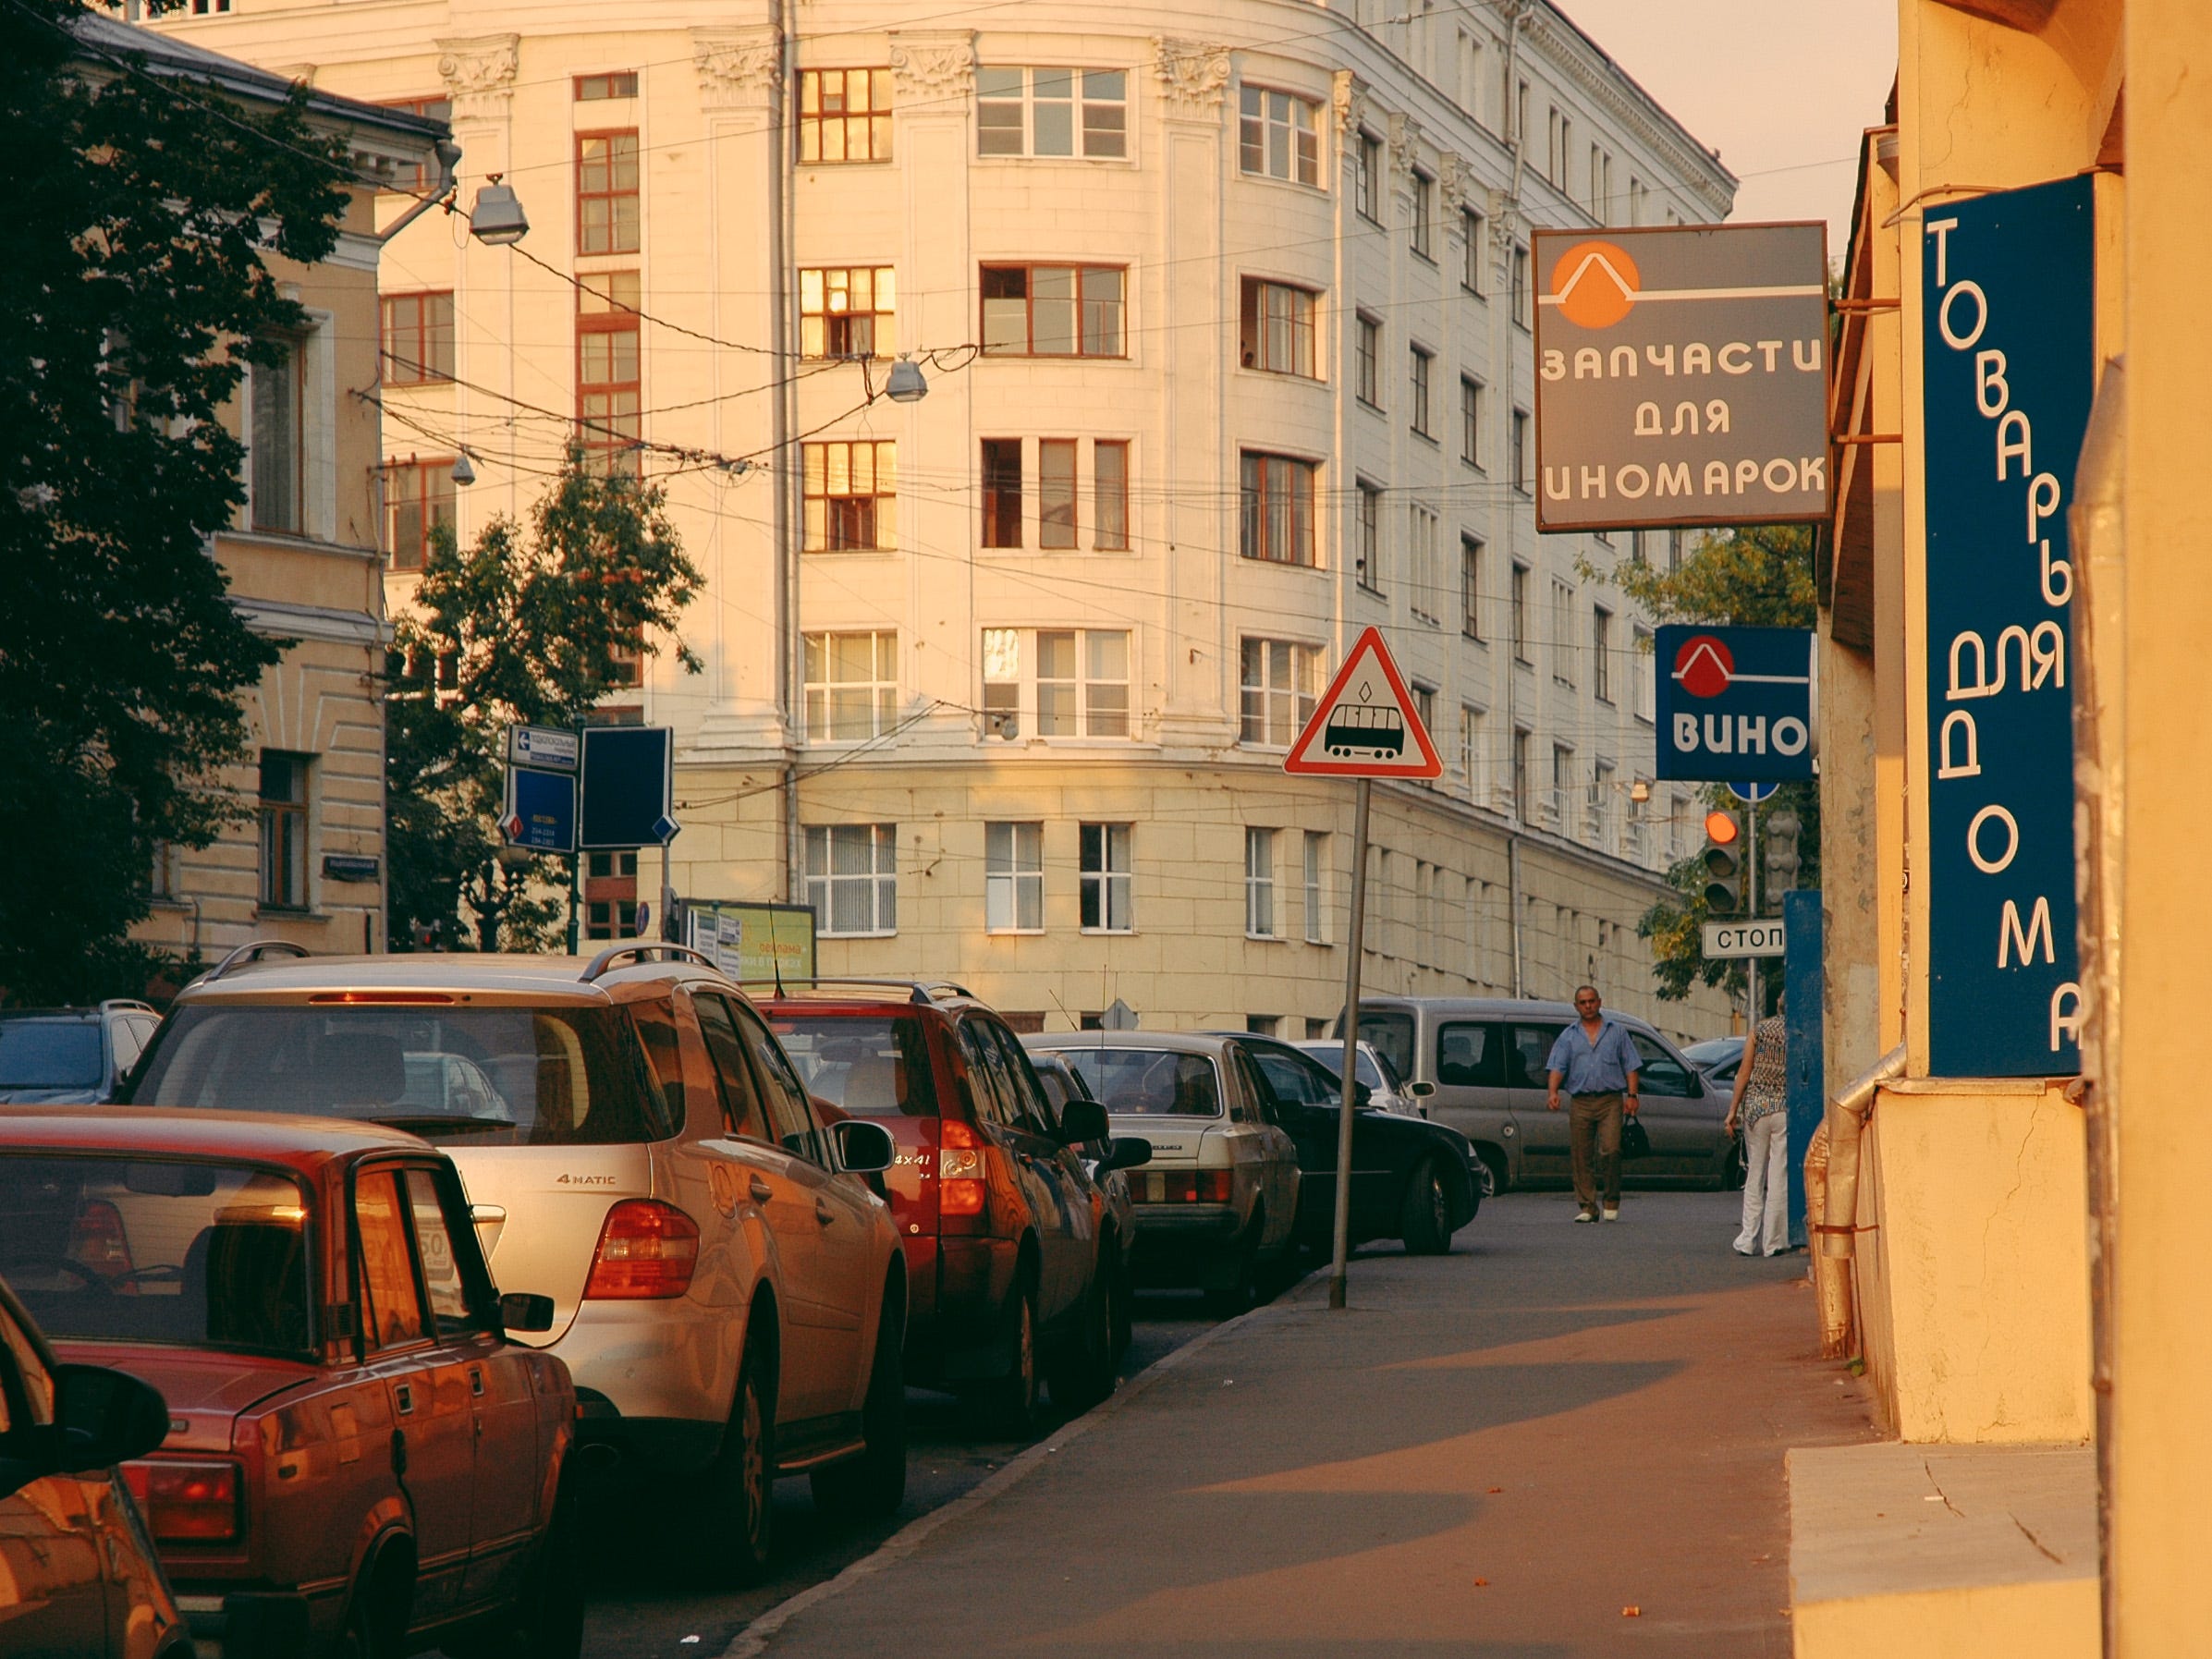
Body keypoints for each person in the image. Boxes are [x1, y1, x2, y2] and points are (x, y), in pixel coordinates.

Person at [1546, 986, 1642, 1224]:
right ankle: (1588, 1206)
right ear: (1576, 1006)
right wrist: (1553, 1092)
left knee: (1611, 1149)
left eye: (1591, 1001)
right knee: (1581, 1154)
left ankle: (1611, 1200)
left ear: (1599, 1003)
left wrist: (1632, 1095)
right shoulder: (1568, 1035)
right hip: (1580, 1101)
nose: (1587, 1006)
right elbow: (1558, 1066)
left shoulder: (1616, 1032)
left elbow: (1631, 1065)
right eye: (1582, 1002)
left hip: (1610, 1100)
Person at [1725, 995, 1791, 1256]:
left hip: (1756, 1111)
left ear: (1777, 1005)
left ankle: (1748, 1238)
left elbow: (1744, 1071)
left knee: (1755, 1176)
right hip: (1783, 1109)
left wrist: (1732, 1111)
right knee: (1778, 1176)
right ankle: (1773, 1241)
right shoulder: (1797, 1033)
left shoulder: (1759, 1031)